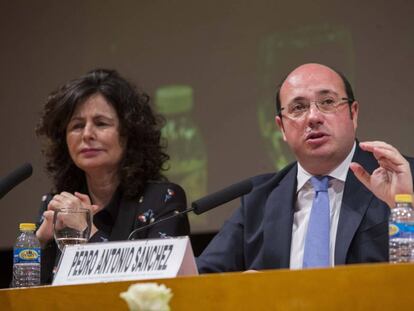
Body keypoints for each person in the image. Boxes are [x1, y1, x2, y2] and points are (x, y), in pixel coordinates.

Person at [197, 63, 414, 273]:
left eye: (328, 102)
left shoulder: (403, 178)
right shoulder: (259, 200)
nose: (313, 117)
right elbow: (199, 279)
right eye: (298, 108)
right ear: (281, 127)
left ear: (353, 113)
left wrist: (404, 208)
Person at [36, 69, 190, 284]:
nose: (87, 134)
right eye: (77, 126)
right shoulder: (56, 204)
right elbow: (22, 299)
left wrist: (86, 231)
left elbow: (149, 289)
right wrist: (39, 244)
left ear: (129, 134)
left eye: (101, 123)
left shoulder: (164, 199)